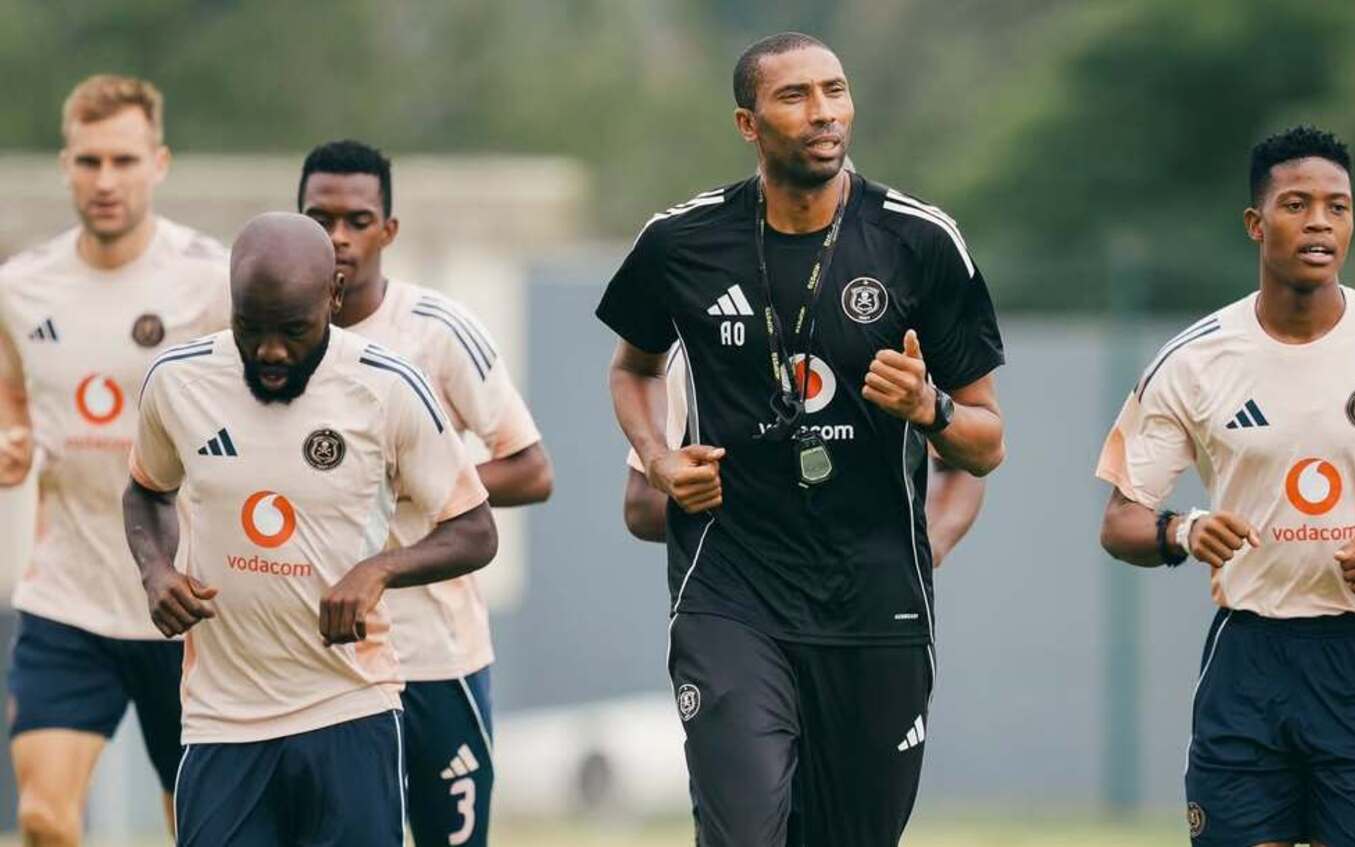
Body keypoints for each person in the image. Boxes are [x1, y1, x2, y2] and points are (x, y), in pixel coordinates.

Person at [597, 32, 1006, 845]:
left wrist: (929, 408)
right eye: (795, 96)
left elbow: (985, 441)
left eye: (835, 91)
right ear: (748, 124)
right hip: (732, 594)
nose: (823, 113)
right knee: (746, 829)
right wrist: (659, 457)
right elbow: (632, 369)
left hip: (875, 601)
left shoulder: (919, 242)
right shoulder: (682, 242)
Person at [1096, 126, 1355, 847]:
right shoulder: (1194, 361)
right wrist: (1183, 531)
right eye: (1297, 204)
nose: (1319, 221)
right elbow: (1120, 520)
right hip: (1246, 659)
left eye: (1337, 207)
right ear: (1256, 223)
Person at [122, 212, 498, 846]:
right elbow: (146, 491)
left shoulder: (387, 387)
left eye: (293, 331)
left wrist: (377, 571)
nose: (270, 351)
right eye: (251, 329)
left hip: (348, 708)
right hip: (221, 721)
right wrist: (156, 571)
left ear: (333, 296)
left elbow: (475, 530)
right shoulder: (177, 382)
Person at [297, 139, 553, 846]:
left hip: (437, 654)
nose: (338, 237)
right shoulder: (274, 341)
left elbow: (531, 468)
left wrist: (423, 484)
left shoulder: (435, 332)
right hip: (324, 658)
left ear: (389, 229)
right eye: (320, 219)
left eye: (356, 219)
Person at [0, 74, 229, 845]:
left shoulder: (213, 279)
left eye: (123, 161)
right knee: (42, 818)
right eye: (90, 161)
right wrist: (11, 438)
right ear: (66, 164)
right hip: (66, 598)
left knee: (196, 829)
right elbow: (11, 398)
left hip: (184, 603)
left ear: (158, 164)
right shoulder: (20, 288)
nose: (106, 181)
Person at [622, 342, 985, 564]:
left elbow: (966, 464)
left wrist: (926, 548)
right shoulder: (702, 341)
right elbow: (640, 505)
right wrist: (753, 508)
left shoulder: (895, 333)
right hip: (740, 597)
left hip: (869, 597)